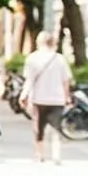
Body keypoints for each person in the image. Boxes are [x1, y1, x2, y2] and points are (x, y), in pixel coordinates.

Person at [22, 32, 74, 163]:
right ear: (53, 43)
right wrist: (67, 97)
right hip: (57, 99)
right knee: (57, 127)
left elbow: (29, 80)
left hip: (38, 99)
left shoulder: (32, 58)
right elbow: (66, 80)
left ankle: (39, 154)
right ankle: (56, 155)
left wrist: (24, 95)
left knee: (38, 127)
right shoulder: (60, 59)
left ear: (38, 42)